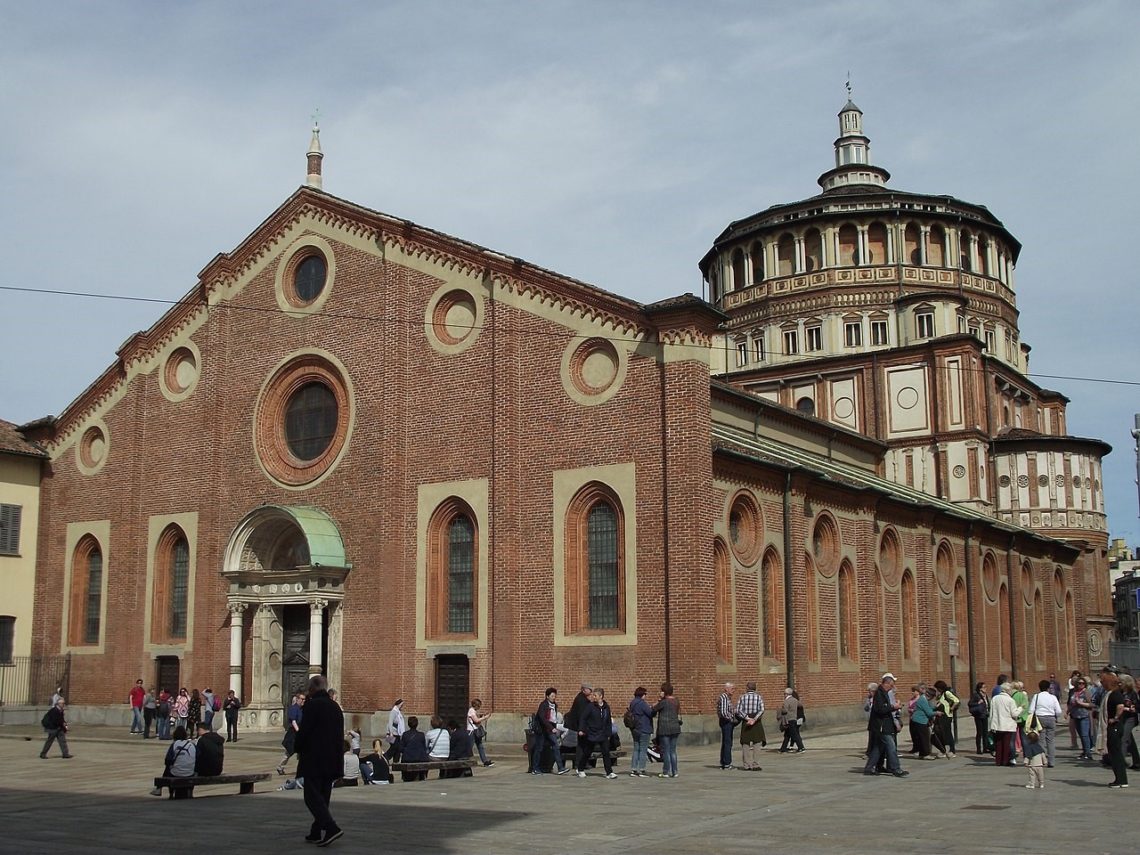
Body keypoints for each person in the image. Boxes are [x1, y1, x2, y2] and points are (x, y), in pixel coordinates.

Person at [294, 674, 344, 846]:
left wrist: (297, 747)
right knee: (323, 796)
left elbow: (304, 731)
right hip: (333, 759)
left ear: (313, 689)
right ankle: (316, 832)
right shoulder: (335, 707)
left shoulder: (312, 705)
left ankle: (331, 827)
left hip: (315, 758)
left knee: (311, 796)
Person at [863, 673, 908, 778]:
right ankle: (895, 768)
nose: (892, 687)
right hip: (881, 726)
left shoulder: (884, 693)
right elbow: (880, 709)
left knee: (879, 748)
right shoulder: (879, 694)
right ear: (886, 683)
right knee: (891, 747)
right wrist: (893, 707)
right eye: (891, 685)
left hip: (885, 724)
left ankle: (870, 767)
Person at [577, 688, 616, 779]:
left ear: (601, 696)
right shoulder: (590, 706)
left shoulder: (606, 707)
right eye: (593, 695)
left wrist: (609, 733)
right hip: (592, 733)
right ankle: (580, 768)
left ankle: (609, 772)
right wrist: (581, 729)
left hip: (603, 734)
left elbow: (608, 722)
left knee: (606, 752)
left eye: (595, 695)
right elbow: (583, 718)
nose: (593, 697)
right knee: (587, 752)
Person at [530, 687, 569, 775]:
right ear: (547, 696)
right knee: (539, 748)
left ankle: (560, 768)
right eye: (552, 696)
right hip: (542, 730)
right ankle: (535, 768)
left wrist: (554, 727)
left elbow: (553, 718)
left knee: (556, 746)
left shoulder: (554, 705)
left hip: (550, 729)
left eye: (555, 696)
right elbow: (542, 718)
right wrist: (551, 728)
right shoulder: (543, 705)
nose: (554, 697)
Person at [150, 725, 196, 796]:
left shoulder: (174, 744)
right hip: (190, 772)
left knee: (168, 769)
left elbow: (167, 760)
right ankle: (190, 792)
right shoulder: (192, 745)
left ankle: (163, 790)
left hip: (176, 773)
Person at [1028, 679, 1064, 768]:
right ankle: (1051, 762)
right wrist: (1055, 716)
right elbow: (1059, 711)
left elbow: (1031, 710)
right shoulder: (1053, 697)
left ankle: (1041, 760)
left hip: (1040, 718)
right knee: (1050, 741)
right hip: (1051, 718)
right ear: (1048, 688)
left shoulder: (1036, 697)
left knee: (1041, 740)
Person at [1103, 669, 1129, 788]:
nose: (1102, 684)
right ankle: (1121, 779)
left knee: (1115, 753)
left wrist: (1115, 718)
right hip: (1114, 726)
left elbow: (1120, 706)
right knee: (1115, 752)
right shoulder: (1112, 693)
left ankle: (1120, 780)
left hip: (1115, 726)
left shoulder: (1115, 694)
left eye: (1103, 682)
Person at [563, 683, 594, 775]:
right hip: (580, 726)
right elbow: (582, 715)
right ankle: (579, 763)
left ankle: (583, 762)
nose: (591, 691)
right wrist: (582, 728)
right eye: (589, 689)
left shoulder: (583, 699)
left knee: (584, 744)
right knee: (581, 745)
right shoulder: (581, 700)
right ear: (584, 690)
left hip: (580, 726)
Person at [652, 683, 682, 778]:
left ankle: (666, 771)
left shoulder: (664, 702)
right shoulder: (676, 701)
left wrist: (660, 699)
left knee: (666, 751)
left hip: (665, 728)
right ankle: (675, 771)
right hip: (675, 728)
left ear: (664, 692)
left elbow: (654, 709)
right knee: (673, 751)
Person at [990, 682, 1021, 767]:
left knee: (998, 744)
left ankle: (998, 761)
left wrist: (991, 723)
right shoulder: (1010, 700)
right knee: (1006, 743)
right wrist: (1020, 709)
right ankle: (1005, 761)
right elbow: (1014, 714)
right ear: (1008, 690)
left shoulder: (994, 699)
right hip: (1008, 725)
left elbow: (992, 712)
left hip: (997, 724)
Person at [735, 682, 765, 771]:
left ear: (747, 688)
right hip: (757, 722)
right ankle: (756, 764)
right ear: (755, 688)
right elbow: (762, 709)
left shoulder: (742, 697)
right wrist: (754, 719)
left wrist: (747, 718)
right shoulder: (759, 697)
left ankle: (747, 765)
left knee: (745, 743)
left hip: (746, 722)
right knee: (757, 743)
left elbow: (738, 710)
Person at [626, 686, 654, 777]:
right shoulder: (642, 703)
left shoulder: (632, 702)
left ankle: (633, 770)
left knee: (636, 749)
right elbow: (650, 713)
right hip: (644, 728)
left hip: (635, 729)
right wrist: (653, 708)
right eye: (645, 694)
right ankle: (642, 770)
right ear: (642, 694)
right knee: (643, 749)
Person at [278, 692, 304, 775]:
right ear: (297, 699)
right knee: (289, 752)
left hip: (301, 733)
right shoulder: (293, 708)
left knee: (303, 752)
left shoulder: (303, 709)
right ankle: (280, 766)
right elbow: (293, 721)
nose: (304, 700)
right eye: (302, 699)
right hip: (293, 734)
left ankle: (303, 768)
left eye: (304, 699)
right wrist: (298, 731)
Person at [1068, 677, 1094, 759]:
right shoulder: (1074, 692)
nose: (1081, 685)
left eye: (1083, 683)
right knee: (1081, 735)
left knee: (1085, 734)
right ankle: (1084, 752)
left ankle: (1088, 753)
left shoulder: (1086, 692)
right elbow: (1071, 703)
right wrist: (1067, 712)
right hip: (1075, 715)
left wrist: (1080, 703)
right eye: (1079, 683)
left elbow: (1091, 704)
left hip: (1084, 715)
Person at [399, 715, 430, 781]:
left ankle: (405, 777)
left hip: (407, 759)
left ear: (408, 724)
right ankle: (423, 776)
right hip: (420, 759)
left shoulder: (405, 734)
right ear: (417, 724)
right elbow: (424, 748)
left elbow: (401, 748)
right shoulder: (421, 735)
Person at [932, 680, 958, 758]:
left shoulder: (947, 693)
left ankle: (952, 750)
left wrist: (952, 708)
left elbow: (956, 700)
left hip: (946, 716)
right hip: (941, 716)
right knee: (940, 733)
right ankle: (942, 750)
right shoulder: (942, 694)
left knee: (947, 733)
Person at [714, 682, 737, 770]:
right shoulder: (724, 697)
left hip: (726, 722)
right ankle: (727, 763)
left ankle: (724, 762)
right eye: (732, 689)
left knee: (726, 742)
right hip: (726, 722)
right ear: (726, 689)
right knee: (728, 742)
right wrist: (731, 719)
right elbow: (724, 712)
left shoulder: (728, 698)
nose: (733, 691)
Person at [909, 687, 936, 759]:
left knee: (921, 738)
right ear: (929, 695)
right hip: (920, 720)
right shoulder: (923, 700)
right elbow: (929, 712)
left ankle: (922, 753)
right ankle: (926, 754)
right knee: (925, 738)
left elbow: (929, 708)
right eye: (931, 697)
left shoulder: (923, 699)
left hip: (919, 720)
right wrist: (937, 712)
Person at [467, 699, 494, 767]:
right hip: (472, 732)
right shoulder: (471, 711)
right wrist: (485, 717)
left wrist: (482, 715)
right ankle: (465, 759)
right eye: (479, 706)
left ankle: (485, 761)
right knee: (469, 746)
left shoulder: (473, 711)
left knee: (480, 746)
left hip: (476, 731)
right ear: (475, 705)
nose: (479, 707)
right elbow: (476, 720)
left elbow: (476, 717)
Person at [968, 681, 992, 755]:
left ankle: (985, 748)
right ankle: (978, 749)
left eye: (985, 687)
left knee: (985, 732)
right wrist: (977, 703)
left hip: (985, 715)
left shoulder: (985, 695)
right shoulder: (976, 695)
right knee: (979, 732)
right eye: (984, 687)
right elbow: (970, 703)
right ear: (980, 689)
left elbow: (987, 703)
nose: (985, 689)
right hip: (978, 715)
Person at [778, 687, 804, 753]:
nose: (784, 695)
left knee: (794, 734)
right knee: (787, 734)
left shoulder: (786, 701)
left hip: (788, 719)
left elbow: (785, 710)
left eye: (784, 694)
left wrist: (781, 710)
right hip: (794, 718)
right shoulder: (795, 700)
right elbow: (800, 705)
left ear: (786, 694)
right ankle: (783, 748)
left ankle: (801, 747)